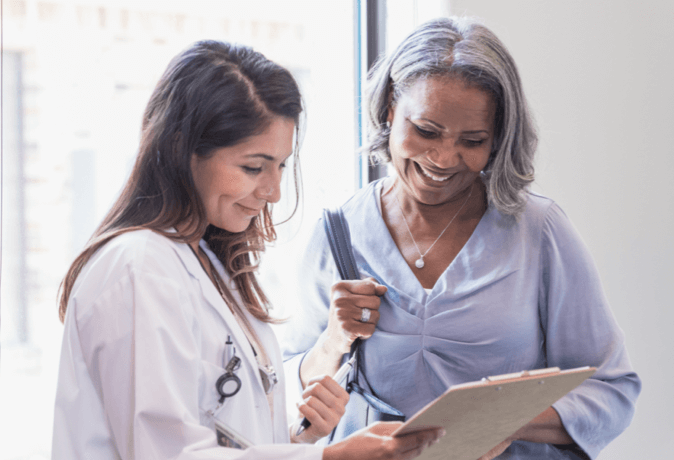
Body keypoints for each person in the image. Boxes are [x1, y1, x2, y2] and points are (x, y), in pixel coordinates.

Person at [51, 41, 444, 460]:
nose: (273, 191)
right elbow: (166, 453)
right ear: (184, 150)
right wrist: (331, 458)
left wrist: (297, 435)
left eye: (280, 166)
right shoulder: (137, 268)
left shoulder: (207, 265)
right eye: (253, 167)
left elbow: (220, 436)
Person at [282, 17, 641, 460]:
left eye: (472, 140)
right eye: (426, 131)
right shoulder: (338, 232)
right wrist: (333, 340)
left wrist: (501, 419)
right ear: (391, 107)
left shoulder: (538, 231)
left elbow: (611, 389)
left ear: (497, 140)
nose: (444, 159)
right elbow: (280, 395)